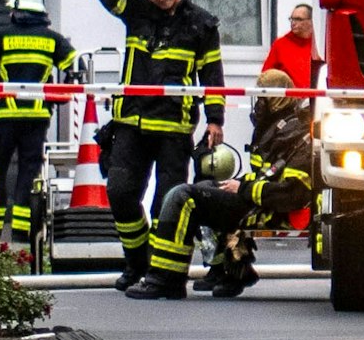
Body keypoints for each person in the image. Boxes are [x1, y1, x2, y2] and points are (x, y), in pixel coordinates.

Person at [92, 0, 226, 290]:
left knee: (167, 203)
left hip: (173, 128)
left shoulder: (201, 25)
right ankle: (137, 262)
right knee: (121, 194)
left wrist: (215, 120)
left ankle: (166, 275)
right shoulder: (136, 11)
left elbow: (212, 76)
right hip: (131, 124)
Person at [127, 69, 313, 300]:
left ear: (276, 100)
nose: (258, 107)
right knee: (206, 186)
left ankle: (165, 279)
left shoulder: (296, 134)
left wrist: (242, 188)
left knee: (183, 198)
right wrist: (240, 183)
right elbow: (267, 175)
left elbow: (293, 194)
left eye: (262, 99)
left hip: (268, 208)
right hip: (258, 200)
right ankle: (235, 270)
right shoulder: (277, 127)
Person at [0, 0, 78, 245]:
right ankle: (21, 235)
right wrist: (54, 96)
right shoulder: (53, 40)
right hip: (37, 119)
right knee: (29, 172)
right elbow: (76, 69)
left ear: (16, 11)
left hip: (4, 117)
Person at [261, 3, 323, 86]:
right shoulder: (280, 45)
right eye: (292, 19)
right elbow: (266, 76)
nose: (293, 23)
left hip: (317, 96)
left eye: (298, 19)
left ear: (311, 21)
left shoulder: (320, 44)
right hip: (290, 97)